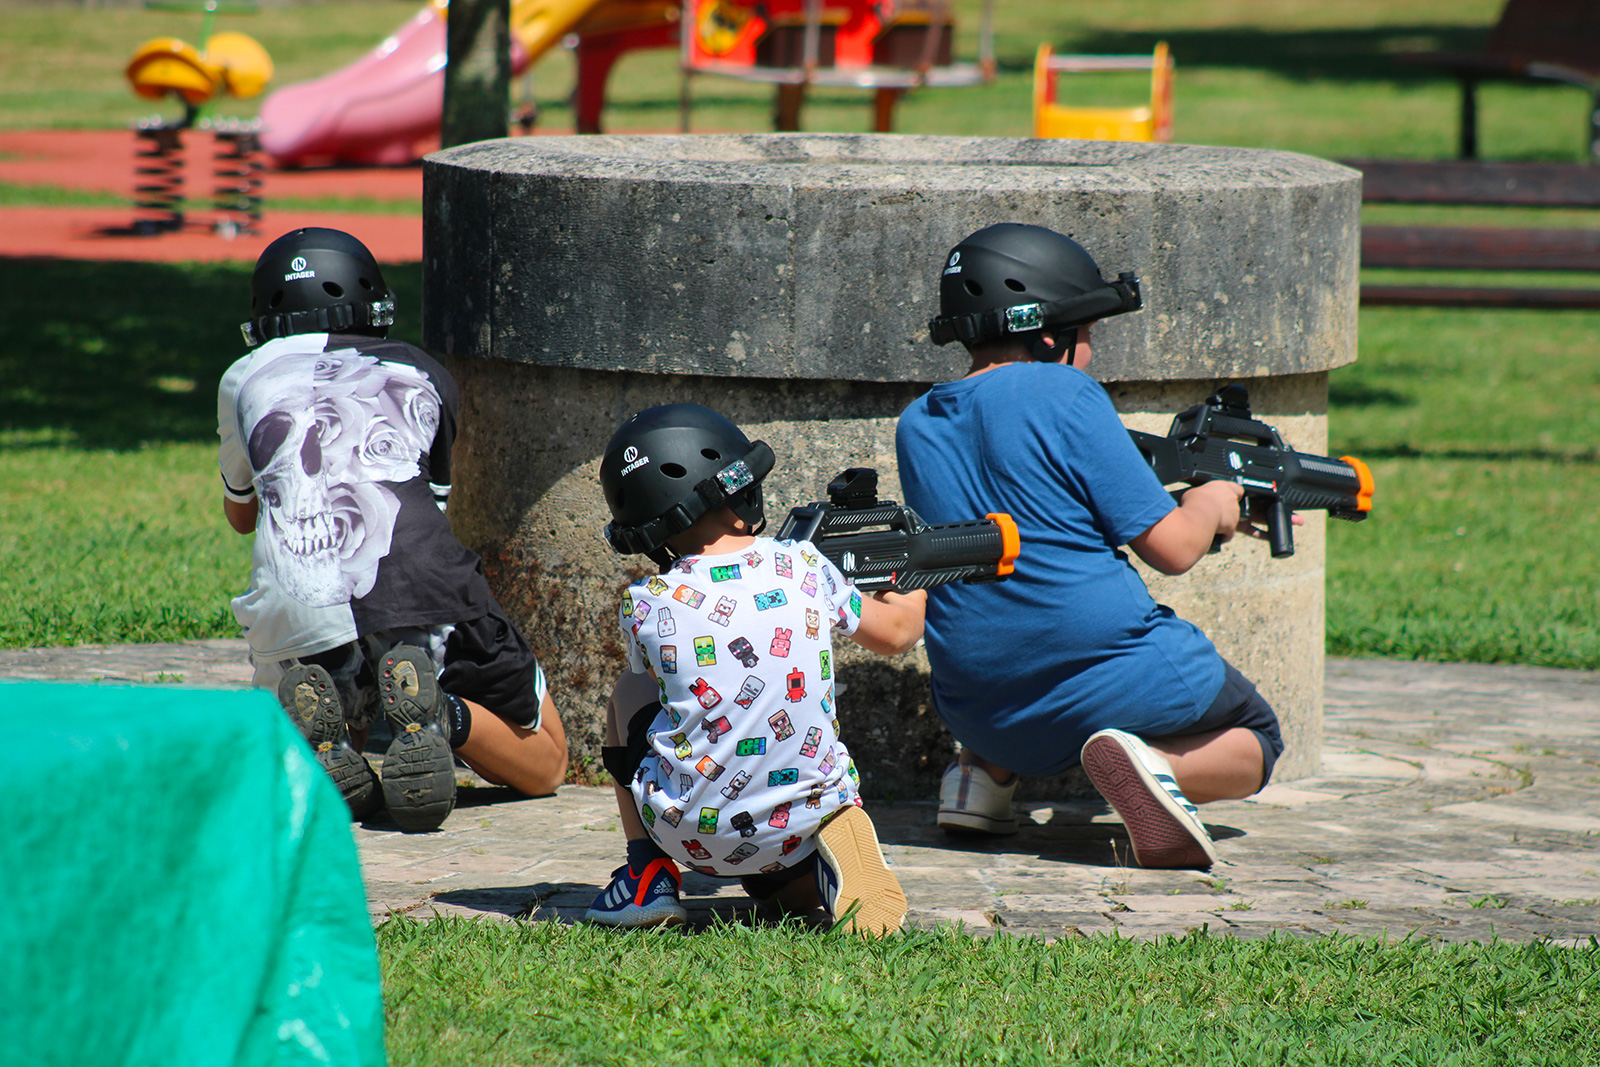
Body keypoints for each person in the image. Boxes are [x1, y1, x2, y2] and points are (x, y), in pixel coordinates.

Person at [895, 222, 1285, 869]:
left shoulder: (917, 422)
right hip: (1107, 672)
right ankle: (1152, 770)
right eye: (1089, 333)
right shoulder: (1067, 389)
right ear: (1050, 334)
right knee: (1258, 736)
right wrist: (1212, 501)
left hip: (977, 701)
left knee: (1007, 617)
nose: (1092, 352)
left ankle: (977, 781)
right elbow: (1174, 548)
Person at [218, 227, 567, 833]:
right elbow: (426, 508)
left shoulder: (242, 377)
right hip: (416, 580)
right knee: (548, 762)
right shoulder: (422, 372)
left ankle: (337, 740)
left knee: (317, 681)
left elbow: (241, 512)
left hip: (293, 597)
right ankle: (441, 713)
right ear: (374, 300)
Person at [585, 403, 926, 933]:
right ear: (740, 491)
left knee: (627, 694)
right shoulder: (805, 566)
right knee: (798, 830)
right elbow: (898, 635)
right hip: (799, 816)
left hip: (687, 826)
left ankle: (647, 874)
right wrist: (910, 578)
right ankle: (835, 844)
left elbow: (661, 686)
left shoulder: (644, 601)